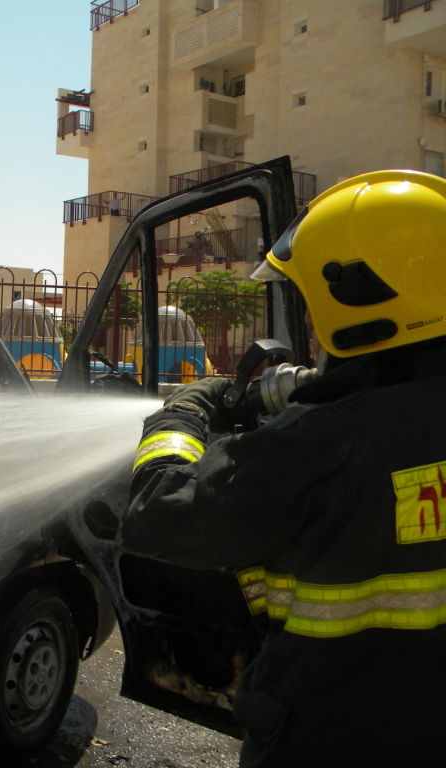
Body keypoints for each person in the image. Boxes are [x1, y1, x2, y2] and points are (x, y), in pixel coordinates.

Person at [121, 169, 446, 766]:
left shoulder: (318, 443)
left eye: (308, 299)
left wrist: (181, 417)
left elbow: (155, 517)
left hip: (325, 738)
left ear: (358, 295)